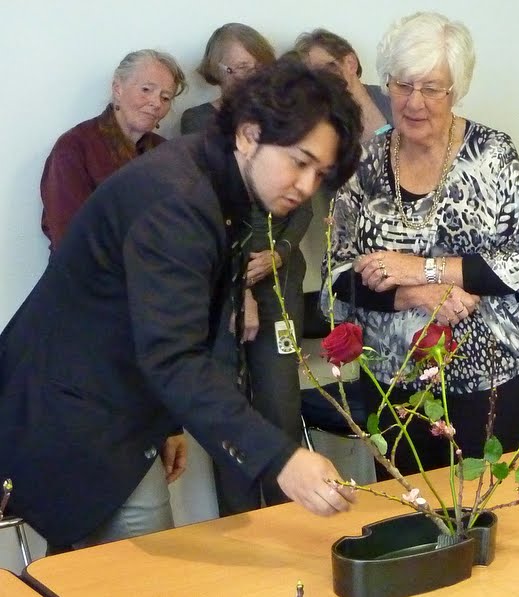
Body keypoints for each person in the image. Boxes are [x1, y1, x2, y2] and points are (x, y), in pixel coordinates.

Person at [0, 57, 363, 551]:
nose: (306, 186)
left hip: (113, 404)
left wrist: (167, 421)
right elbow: (173, 354)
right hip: (73, 412)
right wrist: (282, 459)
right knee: (130, 569)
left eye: (319, 173)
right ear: (249, 134)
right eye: (299, 161)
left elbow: (178, 322)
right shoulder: (177, 199)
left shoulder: (210, 174)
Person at [322, 12, 519, 477]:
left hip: (491, 379)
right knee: (412, 520)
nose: (415, 102)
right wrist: (411, 293)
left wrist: (420, 269)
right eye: (403, 85)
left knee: (498, 515)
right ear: (385, 85)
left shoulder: (492, 154)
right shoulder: (362, 165)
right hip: (393, 386)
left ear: (456, 89)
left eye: (432, 88)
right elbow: (335, 279)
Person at [182, 24, 311, 515]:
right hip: (222, 287)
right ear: (214, 73)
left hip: (282, 281)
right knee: (227, 412)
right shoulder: (198, 121)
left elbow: (304, 204)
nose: (237, 77)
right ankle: (238, 525)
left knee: (280, 406)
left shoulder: (288, 118)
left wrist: (278, 253)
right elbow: (210, 206)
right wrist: (238, 282)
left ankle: (287, 521)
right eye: (227, 68)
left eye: (247, 66)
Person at [41, 49, 186, 251]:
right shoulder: (74, 147)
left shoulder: (166, 152)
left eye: (166, 97)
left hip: (153, 274)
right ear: (117, 88)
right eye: (146, 89)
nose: (156, 103)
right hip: (88, 277)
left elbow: (182, 223)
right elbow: (71, 239)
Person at [294, 28, 393, 142]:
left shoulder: (389, 97)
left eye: (326, 69)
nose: (320, 79)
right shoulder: (318, 118)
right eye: (311, 76)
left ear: (351, 63)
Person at [181, 22, 275, 134]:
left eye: (260, 66)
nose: (254, 75)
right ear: (216, 69)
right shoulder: (199, 119)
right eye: (242, 67)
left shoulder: (279, 112)